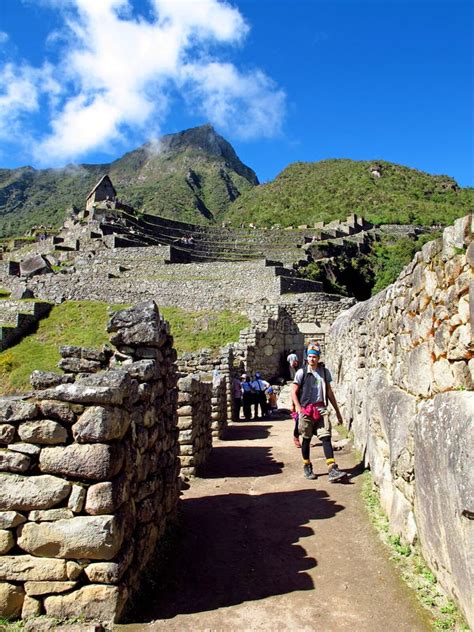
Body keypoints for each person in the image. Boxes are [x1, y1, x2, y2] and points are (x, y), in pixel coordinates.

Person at [292, 347, 347, 482]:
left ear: (318, 358)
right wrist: (298, 408)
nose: (312, 359)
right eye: (310, 357)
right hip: (306, 410)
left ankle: (332, 468)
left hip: (321, 409)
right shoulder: (301, 372)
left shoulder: (324, 372)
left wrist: (338, 412)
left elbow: (329, 392)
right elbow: (293, 392)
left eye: (314, 357)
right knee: (306, 439)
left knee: (326, 437)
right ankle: (307, 465)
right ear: (307, 358)